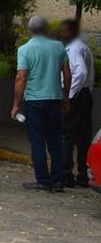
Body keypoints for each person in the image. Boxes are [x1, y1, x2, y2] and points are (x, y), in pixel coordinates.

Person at [12, 15, 72, 192]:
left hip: (34, 100)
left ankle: (43, 180)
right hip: (54, 99)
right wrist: (66, 95)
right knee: (55, 139)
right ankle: (58, 180)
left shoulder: (25, 50)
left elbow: (21, 77)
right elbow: (67, 74)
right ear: (46, 29)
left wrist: (16, 104)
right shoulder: (59, 47)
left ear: (31, 30)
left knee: (37, 140)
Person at [58, 19, 94, 188]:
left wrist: (69, 95)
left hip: (76, 95)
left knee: (67, 135)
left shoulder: (73, 49)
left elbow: (80, 72)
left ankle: (66, 174)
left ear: (71, 32)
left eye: (64, 31)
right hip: (85, 94)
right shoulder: (82, 47)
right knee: (83, 136)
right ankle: (82, 173)